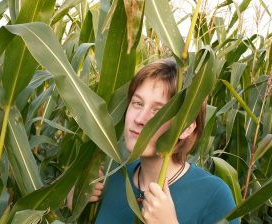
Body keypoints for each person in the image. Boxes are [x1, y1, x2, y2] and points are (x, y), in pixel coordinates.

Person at [88, 58, 238, 223]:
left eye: (158, 112)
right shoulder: (114, 178)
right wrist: (77, 197)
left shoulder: (215, 196)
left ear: (186, 127)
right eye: (137, 103)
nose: (140, 119)